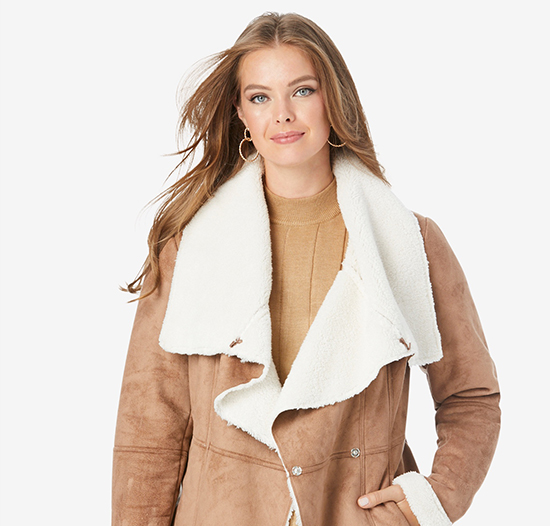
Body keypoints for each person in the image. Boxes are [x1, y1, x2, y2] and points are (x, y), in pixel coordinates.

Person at [112, 12, 500, 526]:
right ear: (240, 113)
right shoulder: (191, 246)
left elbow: (471, 396)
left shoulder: (410, 241)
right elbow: (149, 429)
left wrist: (435, 497)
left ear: (332, 98)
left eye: (302, 91)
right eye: (260, 97)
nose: (282, 115)